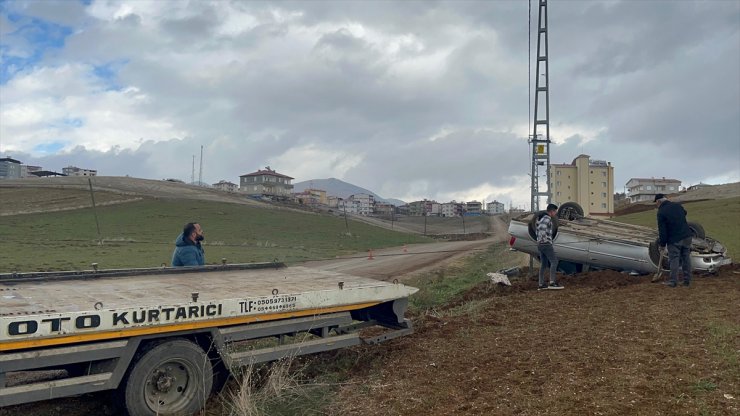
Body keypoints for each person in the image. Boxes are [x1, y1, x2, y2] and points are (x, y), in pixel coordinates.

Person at [655, 194, 692, 287]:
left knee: (674, 259)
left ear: (658, 202)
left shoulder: (661, 212)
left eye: (656, 203)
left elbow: (662, 231)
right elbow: (685, 212)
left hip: (674, 239)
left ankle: (673, 281)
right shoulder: (677, 206)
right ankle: (687, 280)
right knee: (686, 258)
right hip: (687, 236)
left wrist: (662, 244)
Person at [537, 203, 563, 290]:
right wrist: (545, 240)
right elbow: (541, 229)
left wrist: (541, 241)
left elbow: (538, 230)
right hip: (545, 244)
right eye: (555, 211)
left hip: (540, 245)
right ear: (551, 211)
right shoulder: (547, 218)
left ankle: (541, 284)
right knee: (554, 262)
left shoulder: (542, 218)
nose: (555, 213)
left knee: (544, 264)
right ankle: (552, 282)